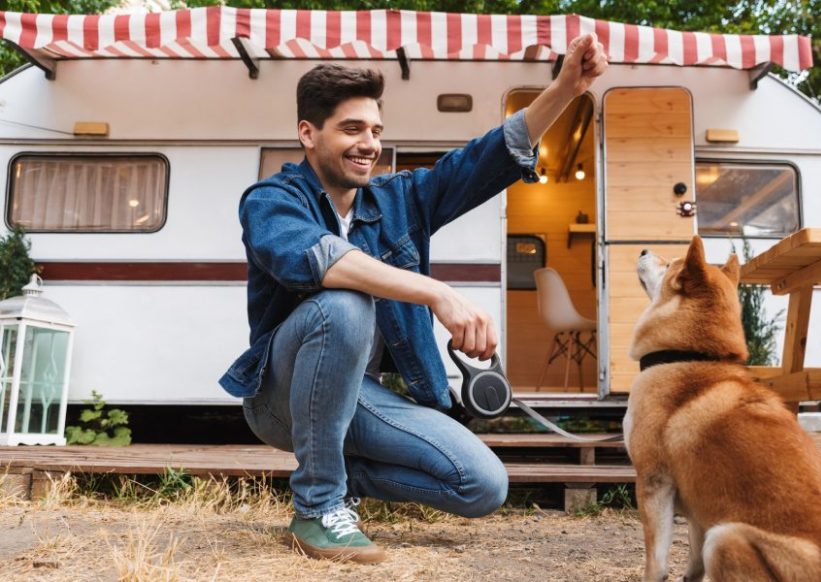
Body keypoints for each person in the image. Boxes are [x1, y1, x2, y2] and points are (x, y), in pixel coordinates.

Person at [219, 34, 608, 562]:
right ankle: (317, 506)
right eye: (352, 129)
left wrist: (566, 89)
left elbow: (483, 158)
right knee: (345, 302)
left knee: (483, 485)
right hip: (279, 400)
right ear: (308, 134)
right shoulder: (271, 199)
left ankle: (335, 468)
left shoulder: (401, 200)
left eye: (376, 131)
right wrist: (438, 294)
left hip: (362, 396)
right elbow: (322, 261)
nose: (368, 144)